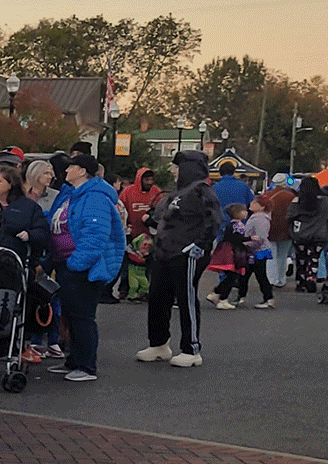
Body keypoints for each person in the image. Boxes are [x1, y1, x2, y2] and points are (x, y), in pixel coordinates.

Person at [138, 150, 223, 368]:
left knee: (186, 299)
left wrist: (198, 247)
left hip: (186, 253)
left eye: (177, 167)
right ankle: (158, 343)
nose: (173, 171)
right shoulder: (177, 193)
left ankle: (191, 348)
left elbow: (213, 222)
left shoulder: (203, 192)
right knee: (157, 297)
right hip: (164, 252)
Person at [56, 154, 122, 381]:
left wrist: (76, 263)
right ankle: (74, 360)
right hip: (69, 264)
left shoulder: (94, 198)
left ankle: (86, 366)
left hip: (83, 268)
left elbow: (95, 235)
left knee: (82, 316)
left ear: (82, 171)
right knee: (72, 315)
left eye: (71, 167)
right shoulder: (75, 195)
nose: (66, 171)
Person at [116, 167, 164, 298]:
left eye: (151, 179)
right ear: (140, 180)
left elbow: (161, 212)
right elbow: (120, 209)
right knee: (127, 264)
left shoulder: (156, 193)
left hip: (150, 236)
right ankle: (124, 289)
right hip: (132, 233)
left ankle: (146, 290)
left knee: (150, 264)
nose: (149, 182)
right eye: (146, 179)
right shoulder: (128, 192)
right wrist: (125, 226)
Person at [286, 176, 328, 294]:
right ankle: (311, 279)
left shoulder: (297, 201)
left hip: (300, 234)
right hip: (319, 234)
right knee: (314, 258)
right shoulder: (324, 201)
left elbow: (289, 216)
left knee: (301, 259)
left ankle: (301, 282)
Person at [262, 175, 295, 288]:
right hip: (286, 229)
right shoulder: (290, 196)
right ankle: (281, 279)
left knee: (271, 255)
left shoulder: (267, 195)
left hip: (269, 228)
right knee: (283, 255)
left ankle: (271, 279)